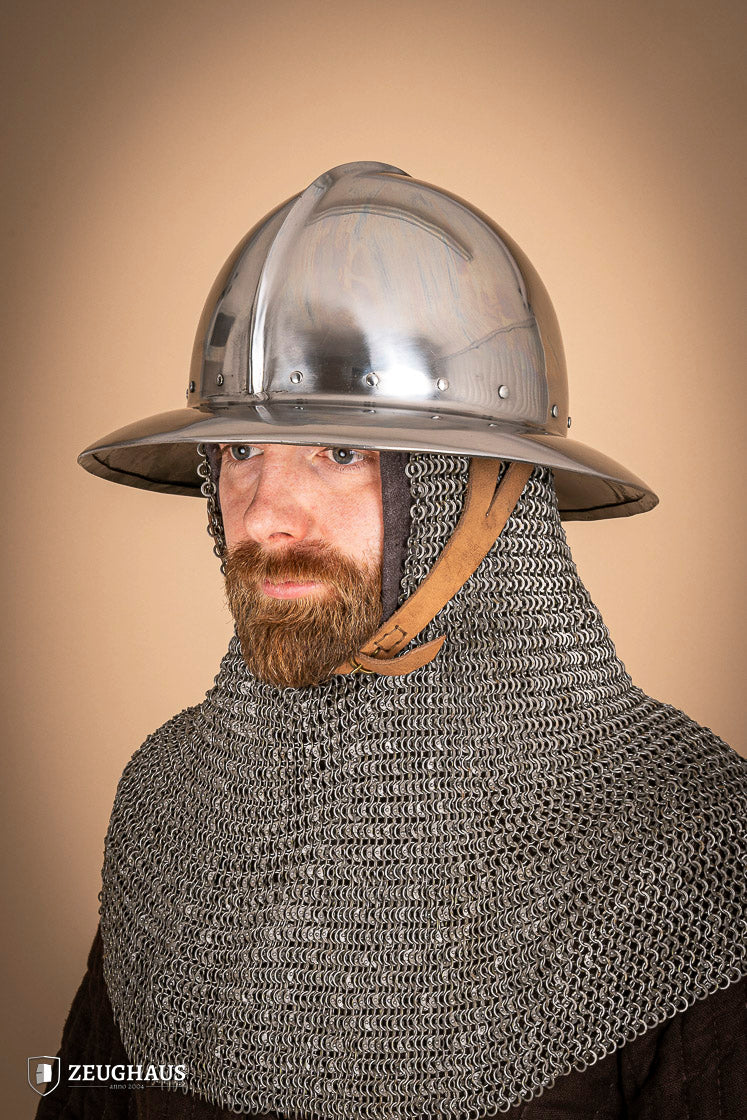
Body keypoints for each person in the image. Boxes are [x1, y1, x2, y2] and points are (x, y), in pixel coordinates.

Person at [36, 162, 746, 1119]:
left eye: (340, 453)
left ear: (484, 494)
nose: (264, 516)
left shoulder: (680, 839)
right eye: (240, 451)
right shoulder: (172, 803)